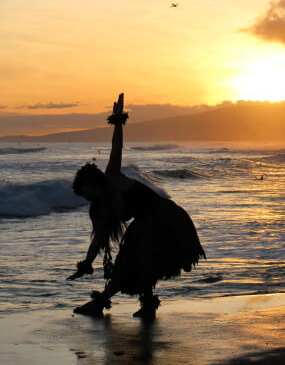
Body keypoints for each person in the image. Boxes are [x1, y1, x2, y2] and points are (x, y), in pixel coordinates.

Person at [68, 93, 205, 320]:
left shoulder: (112, 177)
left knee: (133, 261)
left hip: (165, 216)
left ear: (93, 183)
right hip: (146, 223)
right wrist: (86, 264)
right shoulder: (100, 209)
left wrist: (118, 120)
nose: (87, 197)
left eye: (86, 191)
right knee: (138, 262)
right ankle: (146, 305)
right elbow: (99, 239)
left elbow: (117, 146)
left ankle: (100, 304)